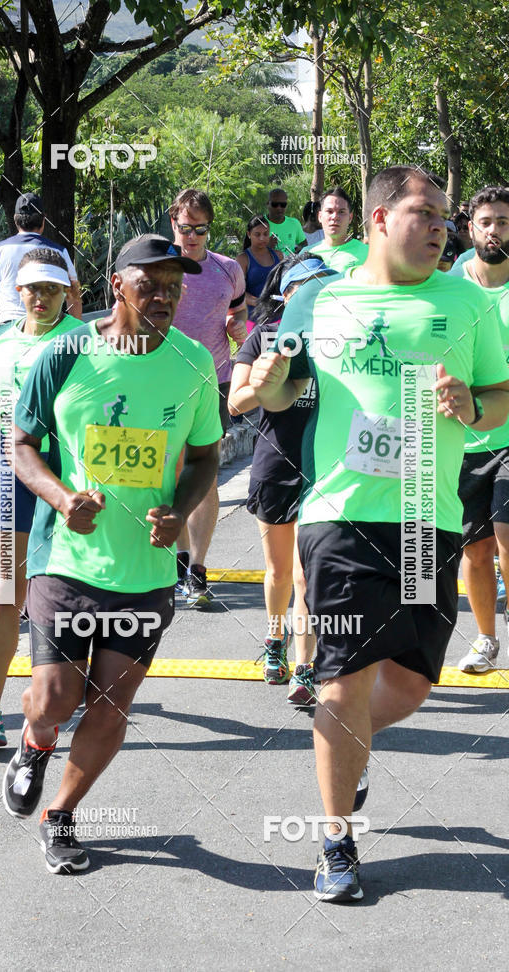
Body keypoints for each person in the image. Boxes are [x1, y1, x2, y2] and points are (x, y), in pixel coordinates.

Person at [250, 164, 509, 902]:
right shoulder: (317, 300)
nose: (440, 227)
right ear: (377, 221)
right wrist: (265, 384)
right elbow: (277, 389)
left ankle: (354, 750)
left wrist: (471, 404)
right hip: (339, 515)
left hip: (428, 512)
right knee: (341, 677)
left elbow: (501, 395)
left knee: (410, 682)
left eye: (444, 217)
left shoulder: (466, 303)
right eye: (424, 213)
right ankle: (335, 844)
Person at [2, 234, 222, 874]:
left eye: (174, 289)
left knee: (111, 704)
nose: (163, 298)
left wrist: (178, 511)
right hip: (67, 559)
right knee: (52, 700)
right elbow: (22, 444)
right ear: (116, 284)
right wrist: (62, 496)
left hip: (147, 572)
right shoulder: (66, 353)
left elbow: (206, 456)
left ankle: (61, 815)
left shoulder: (193, 363)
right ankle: (34, 748)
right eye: (149, 285)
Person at [0, 249, 82, 747]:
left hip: (58, 475)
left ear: (65, 294)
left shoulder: (78, 343)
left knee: (52, 596)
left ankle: (53, 697)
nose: (40, 298)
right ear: (18, 291)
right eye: (32, 289)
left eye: (51, 290)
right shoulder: (0, 339)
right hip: (6, 471)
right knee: (5, 590)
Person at [228, 253, 336, 703]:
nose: (314, 297)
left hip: (327, 469)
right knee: (278, 571)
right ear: (286, 295)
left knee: (308, 575)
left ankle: (306, 666)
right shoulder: (265, 339)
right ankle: (274, 640)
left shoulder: (345, 341)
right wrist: (262, 380)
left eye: (323, 286)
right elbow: (235, 404)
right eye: (304, 288)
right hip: (276, 464)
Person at [169, 188, 248, 605]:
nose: (193, 236)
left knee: (205, 474)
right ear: (173, 224)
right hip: (161, 381)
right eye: (186, 228)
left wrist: (238, 327)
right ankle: (180, 560)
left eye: (200, 229)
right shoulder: (159, 265)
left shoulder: (228, 269)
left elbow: (238, 312)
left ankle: (198, 568)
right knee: (170, 474)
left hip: (214, 381)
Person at [450, 187, 509, 672]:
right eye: (486, 221)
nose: (494, 230)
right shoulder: (449, 288)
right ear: (471, 227)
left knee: (508, 537)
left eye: (504, 222)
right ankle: (487, 640)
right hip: (461, 439)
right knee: (476, 547)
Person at [0, 192, 82, 330]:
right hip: (46, 327)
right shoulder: (59, 252)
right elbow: (73, 296)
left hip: (9, 327)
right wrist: (77, 329)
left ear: (16, 220)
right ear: (43, 220)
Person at [304, 186, 368, 272]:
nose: (335, 217)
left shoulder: (368, 253)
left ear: (350, 217)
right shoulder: (306, 255)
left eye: (341, 212)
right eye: (329, 211)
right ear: (320, 216)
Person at [235, 215, 282, 316]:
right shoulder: (243, 259)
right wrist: (260, 303)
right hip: (253, 318)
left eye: (266, 234)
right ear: (249, 234)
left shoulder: (279, 255)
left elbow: (286, 283)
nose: (262, 238)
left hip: (277, 316)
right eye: (257, 234)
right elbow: (238, 292)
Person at [265, 188, 306, 257]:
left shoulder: (294, 223)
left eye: (283, 205)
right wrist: (266, 246)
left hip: (290, 266)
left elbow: (304, 244)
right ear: (267, 204)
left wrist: (299, 250)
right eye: (275, 204)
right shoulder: (259, 223)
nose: (279, 208)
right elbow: (249, 251)